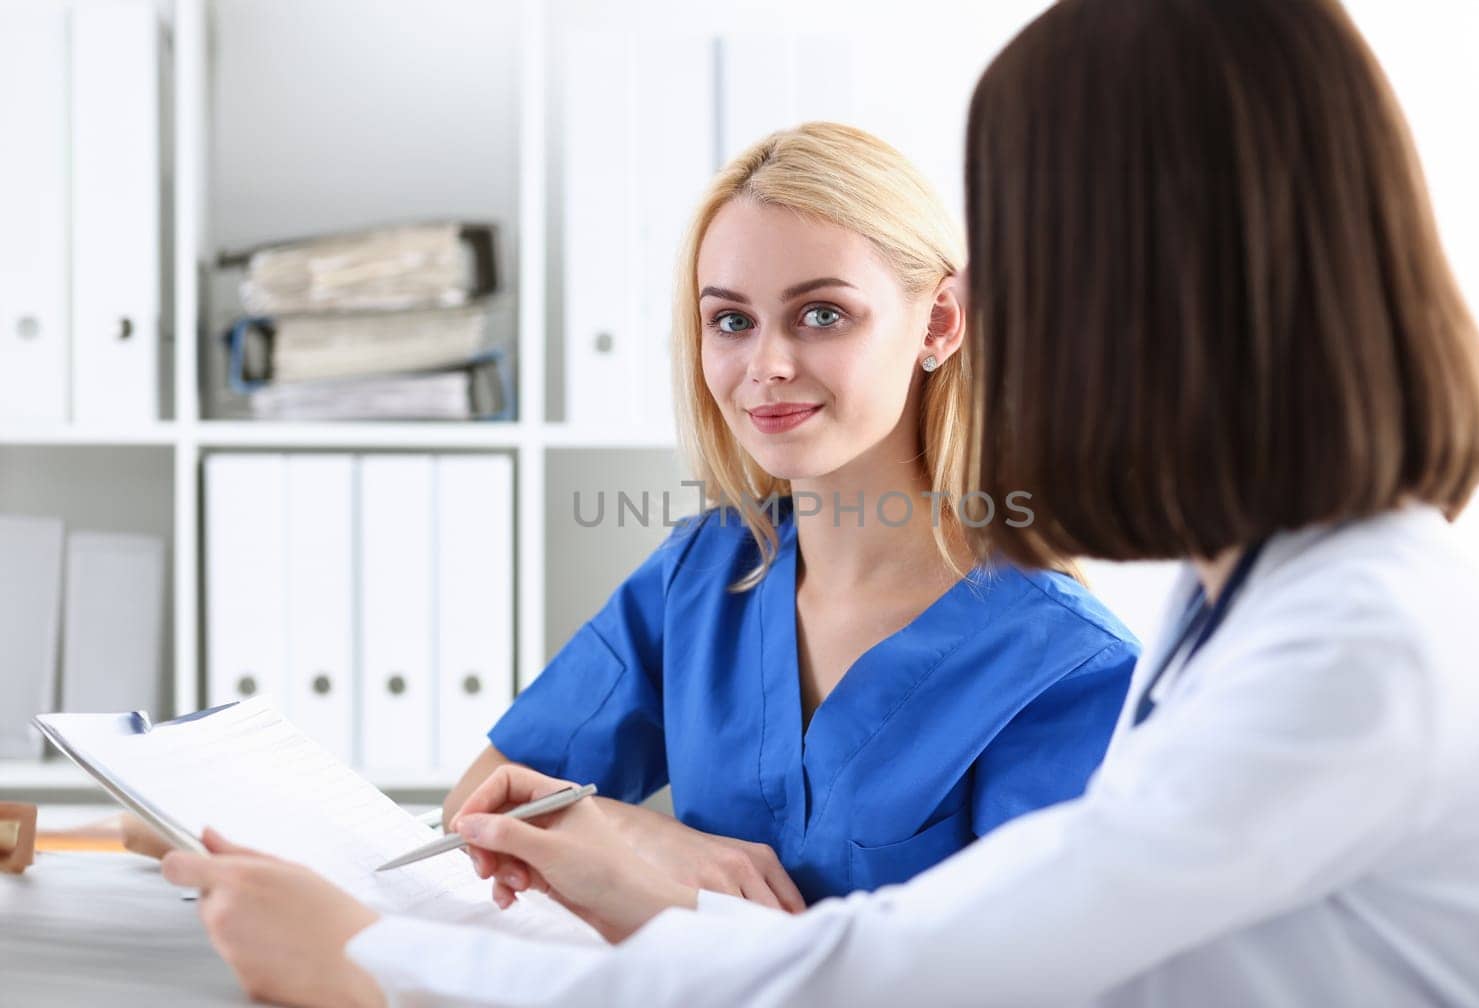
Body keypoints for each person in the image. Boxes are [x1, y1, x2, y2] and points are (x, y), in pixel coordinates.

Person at [163, 0, 1479, 1004]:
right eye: (729, 319)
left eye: (1032, 262)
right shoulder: (1266, 614)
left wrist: (376, 963)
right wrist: (606, 877)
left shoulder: (1343, 656)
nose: (768, 367)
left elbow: (908, 975)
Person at [158, 121, 1138, 910]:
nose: (766, 367)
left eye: (822, 314)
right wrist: (637, 834)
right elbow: (481, 815)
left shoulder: (1062, 670)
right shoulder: (707, 576)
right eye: (730, 319)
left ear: (938, 323)